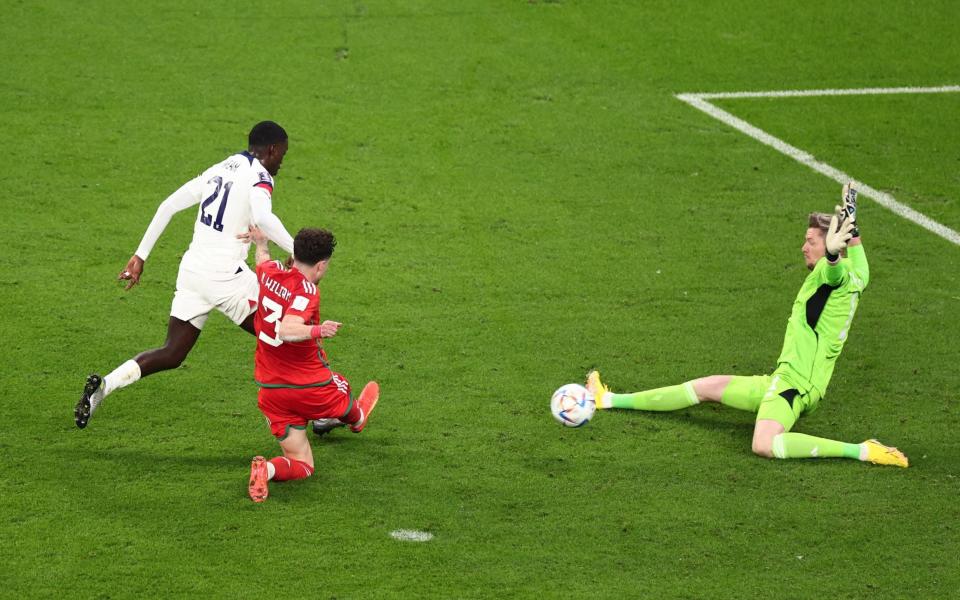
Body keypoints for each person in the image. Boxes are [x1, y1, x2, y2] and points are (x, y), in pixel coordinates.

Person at [586, 183, 908, 467]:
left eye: (810, 240)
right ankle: (608, 399)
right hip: (784, 379)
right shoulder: (859, 276)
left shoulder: (829, 273)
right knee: (705, 387)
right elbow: (855, 258)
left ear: (827, 245)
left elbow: (833, 272)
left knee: (763, 444)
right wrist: (852, 221)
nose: (803, 247)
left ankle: (862, 451)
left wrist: (833, 256)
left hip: (795, 387)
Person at [75, 121, 297, 428]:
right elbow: (263, 217)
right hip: (226, 278)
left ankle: (105, 386)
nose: (282, 162)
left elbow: (168, 206)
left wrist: (141, 255)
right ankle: (324, 410)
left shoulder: (218, 169)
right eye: (282, 154)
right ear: (271, 150)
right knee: (288, 333)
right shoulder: (258, 175)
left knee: (173, 351)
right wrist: (298, 249)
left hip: (193, 272)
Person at [246, 226, 380, 502]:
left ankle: (266, 469)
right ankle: (357, 419)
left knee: (303, 465)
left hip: (271, 392)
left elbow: (262, 260)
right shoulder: (307, 291)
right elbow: (286, 329)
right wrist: (319, 330)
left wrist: (260, 243)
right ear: (320, 266)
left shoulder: (270, 272)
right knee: (341, 386)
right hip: (312, 387)